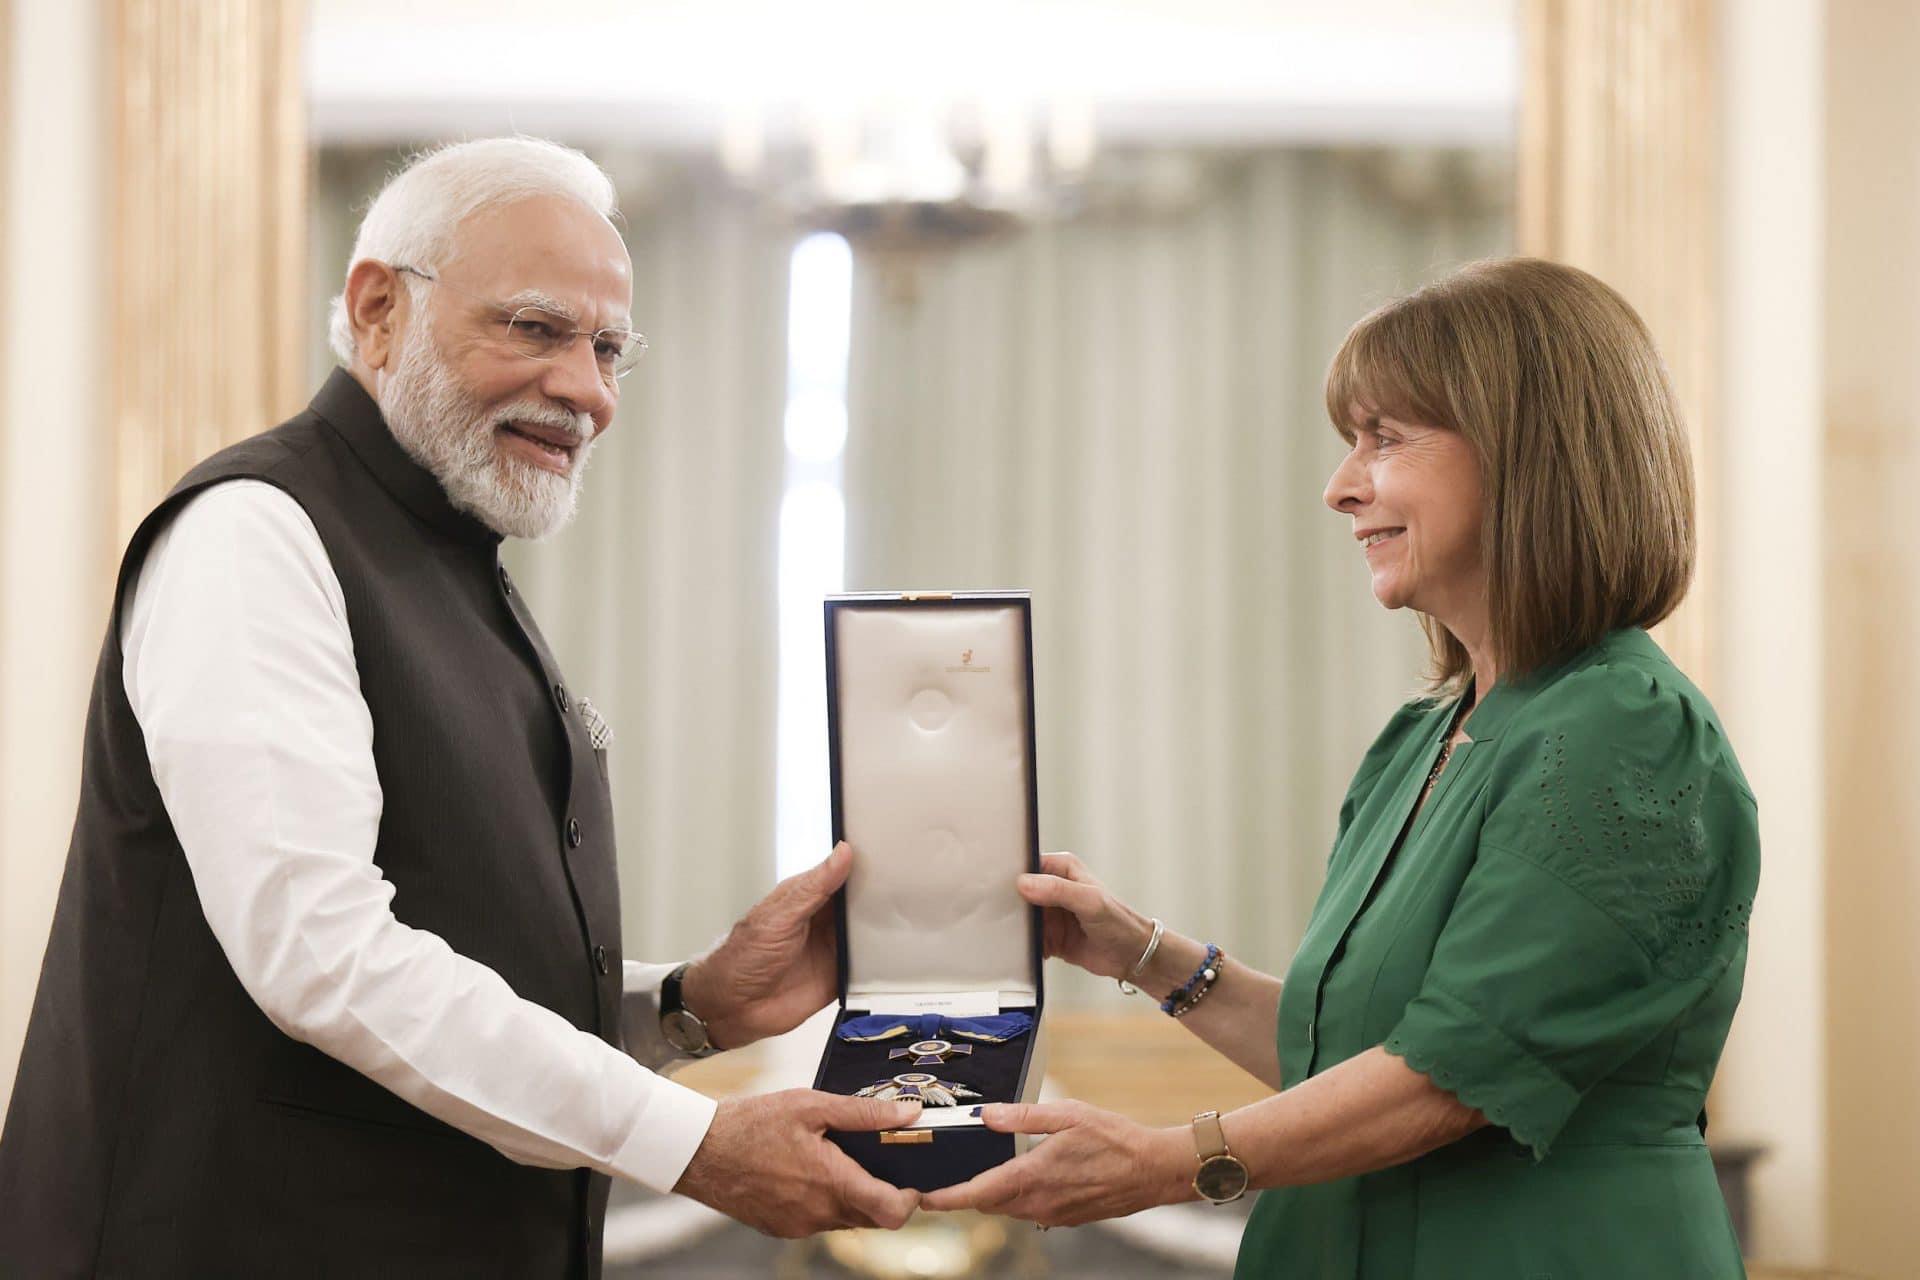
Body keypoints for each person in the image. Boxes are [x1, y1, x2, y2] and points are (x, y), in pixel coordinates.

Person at [0, 138, 918, 1278]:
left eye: (609, 349)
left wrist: (690, 1007)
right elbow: (322, 953)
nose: (589, 391)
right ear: (378, 310)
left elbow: (464, 963)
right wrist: (693, 1143)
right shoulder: (255, 532)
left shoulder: (454, 559)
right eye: (536, 328)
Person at [924, 258, 1759, 1278]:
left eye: (1384, 437)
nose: (1340, 486)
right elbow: (1348, 1058)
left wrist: (1161, 1162)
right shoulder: (1425, 737)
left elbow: (1449, 1077)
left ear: (1525, 453)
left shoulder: (1627, 731)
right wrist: (1141, 952)